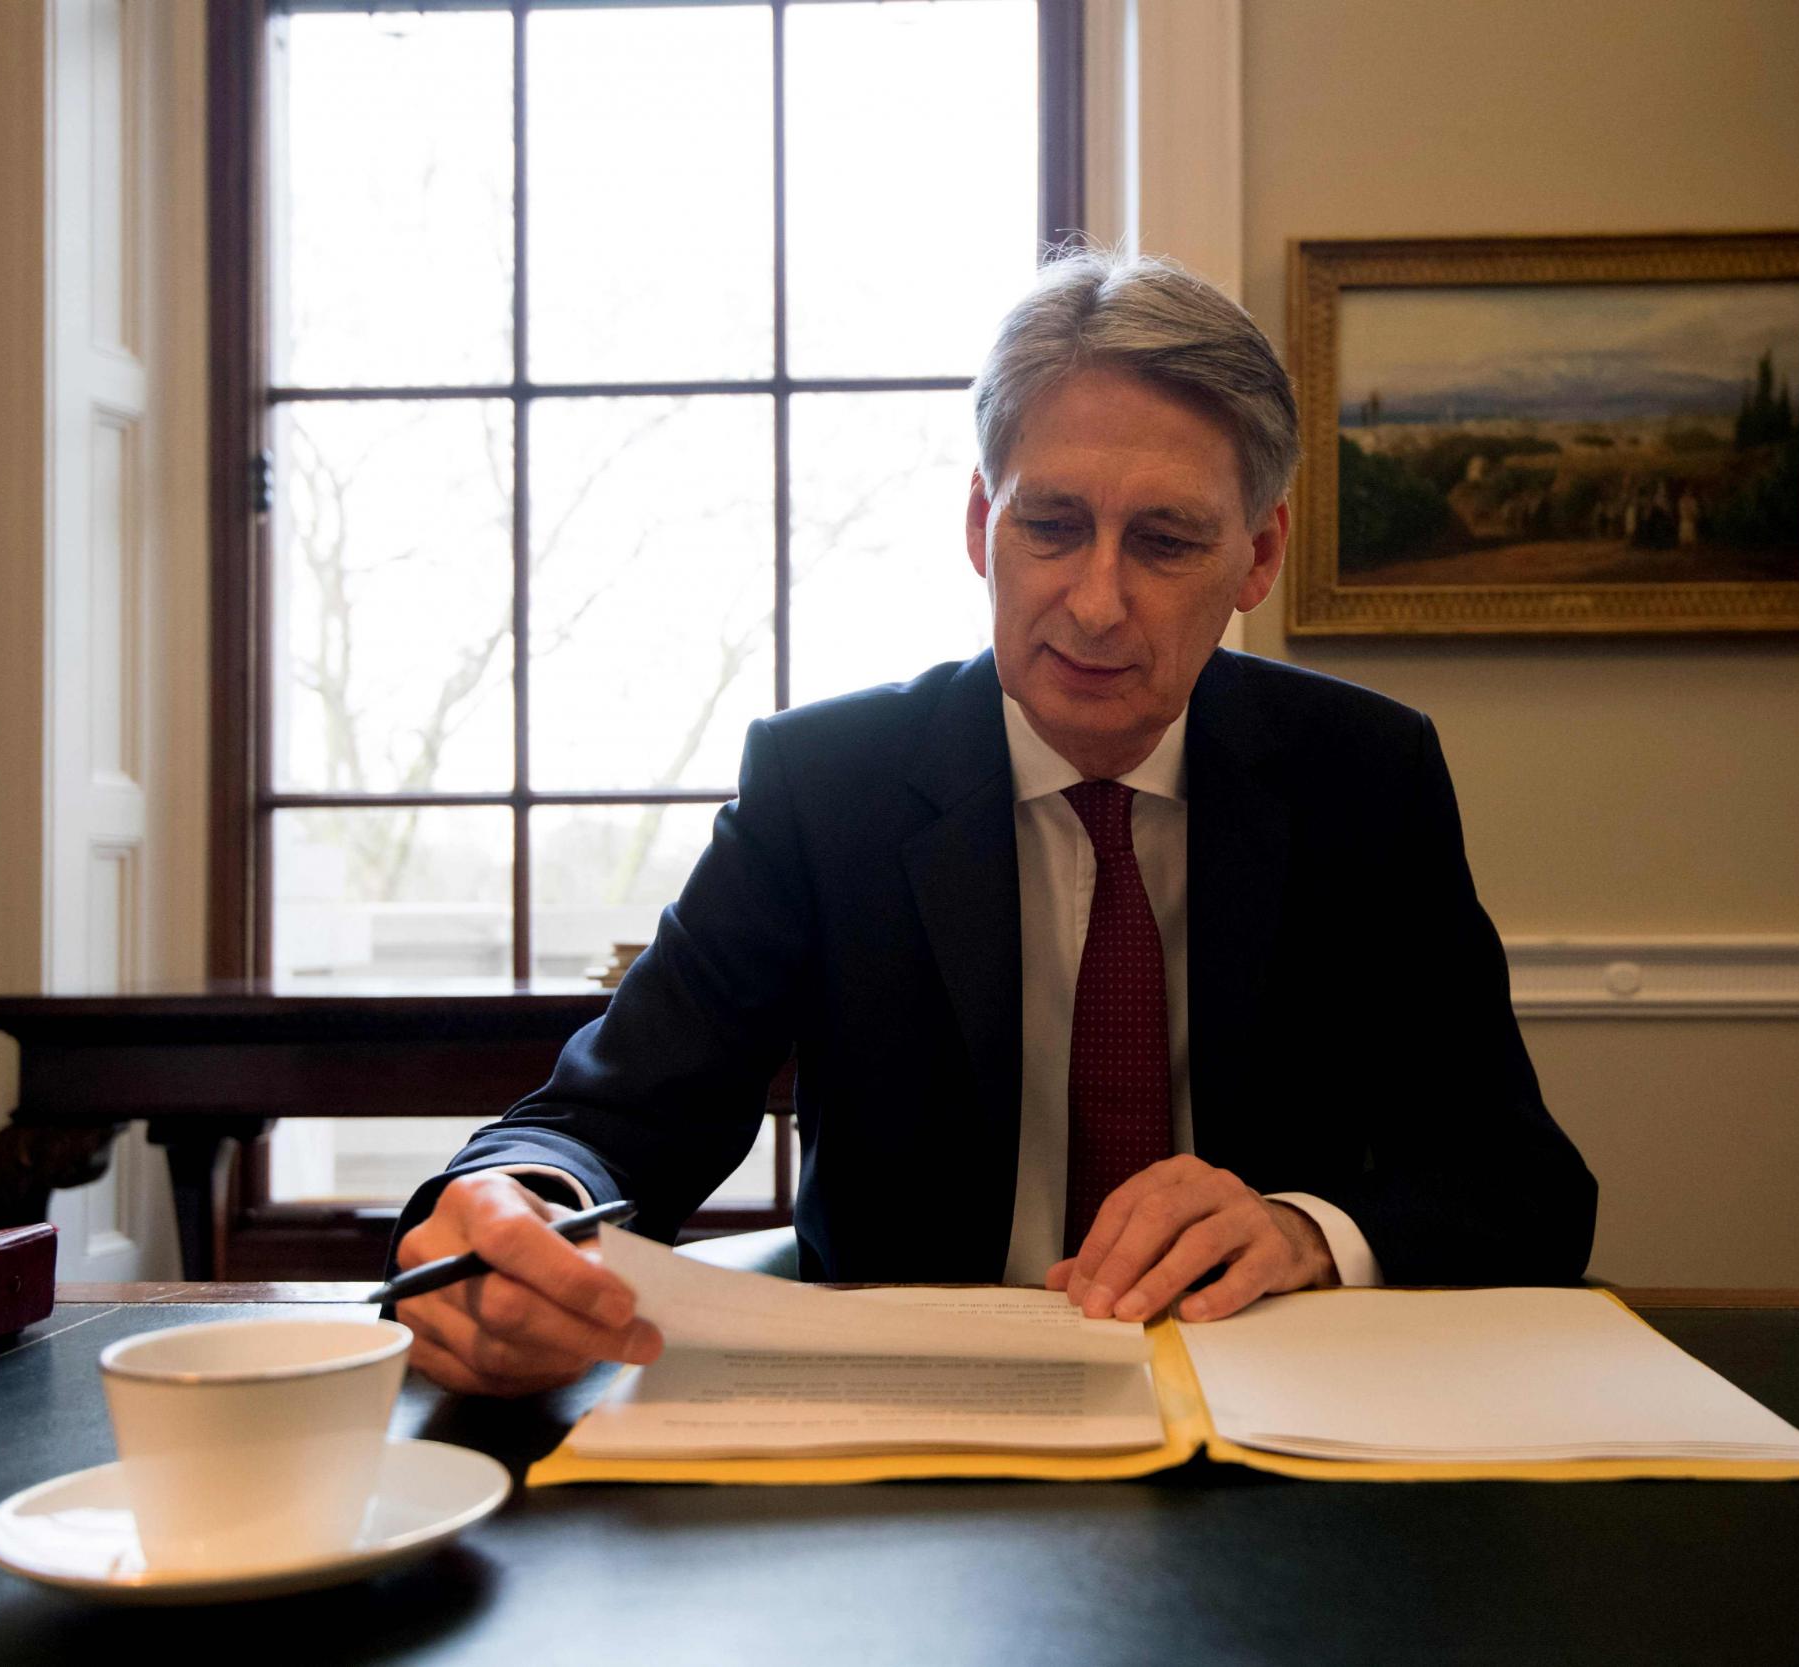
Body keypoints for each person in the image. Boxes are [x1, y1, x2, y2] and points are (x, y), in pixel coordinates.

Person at [390, 250, 1597, 1397]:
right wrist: (516, 1200)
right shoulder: (827, 785)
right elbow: (611, 1117)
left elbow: (1522, 1185)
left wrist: (1301, 1230)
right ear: (982, 525)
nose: (1095, 602)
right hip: (913, 1426)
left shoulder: (1361, 776)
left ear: (1257, 553)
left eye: (1166, 540)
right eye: (1051, 524)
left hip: (1268, 1402)